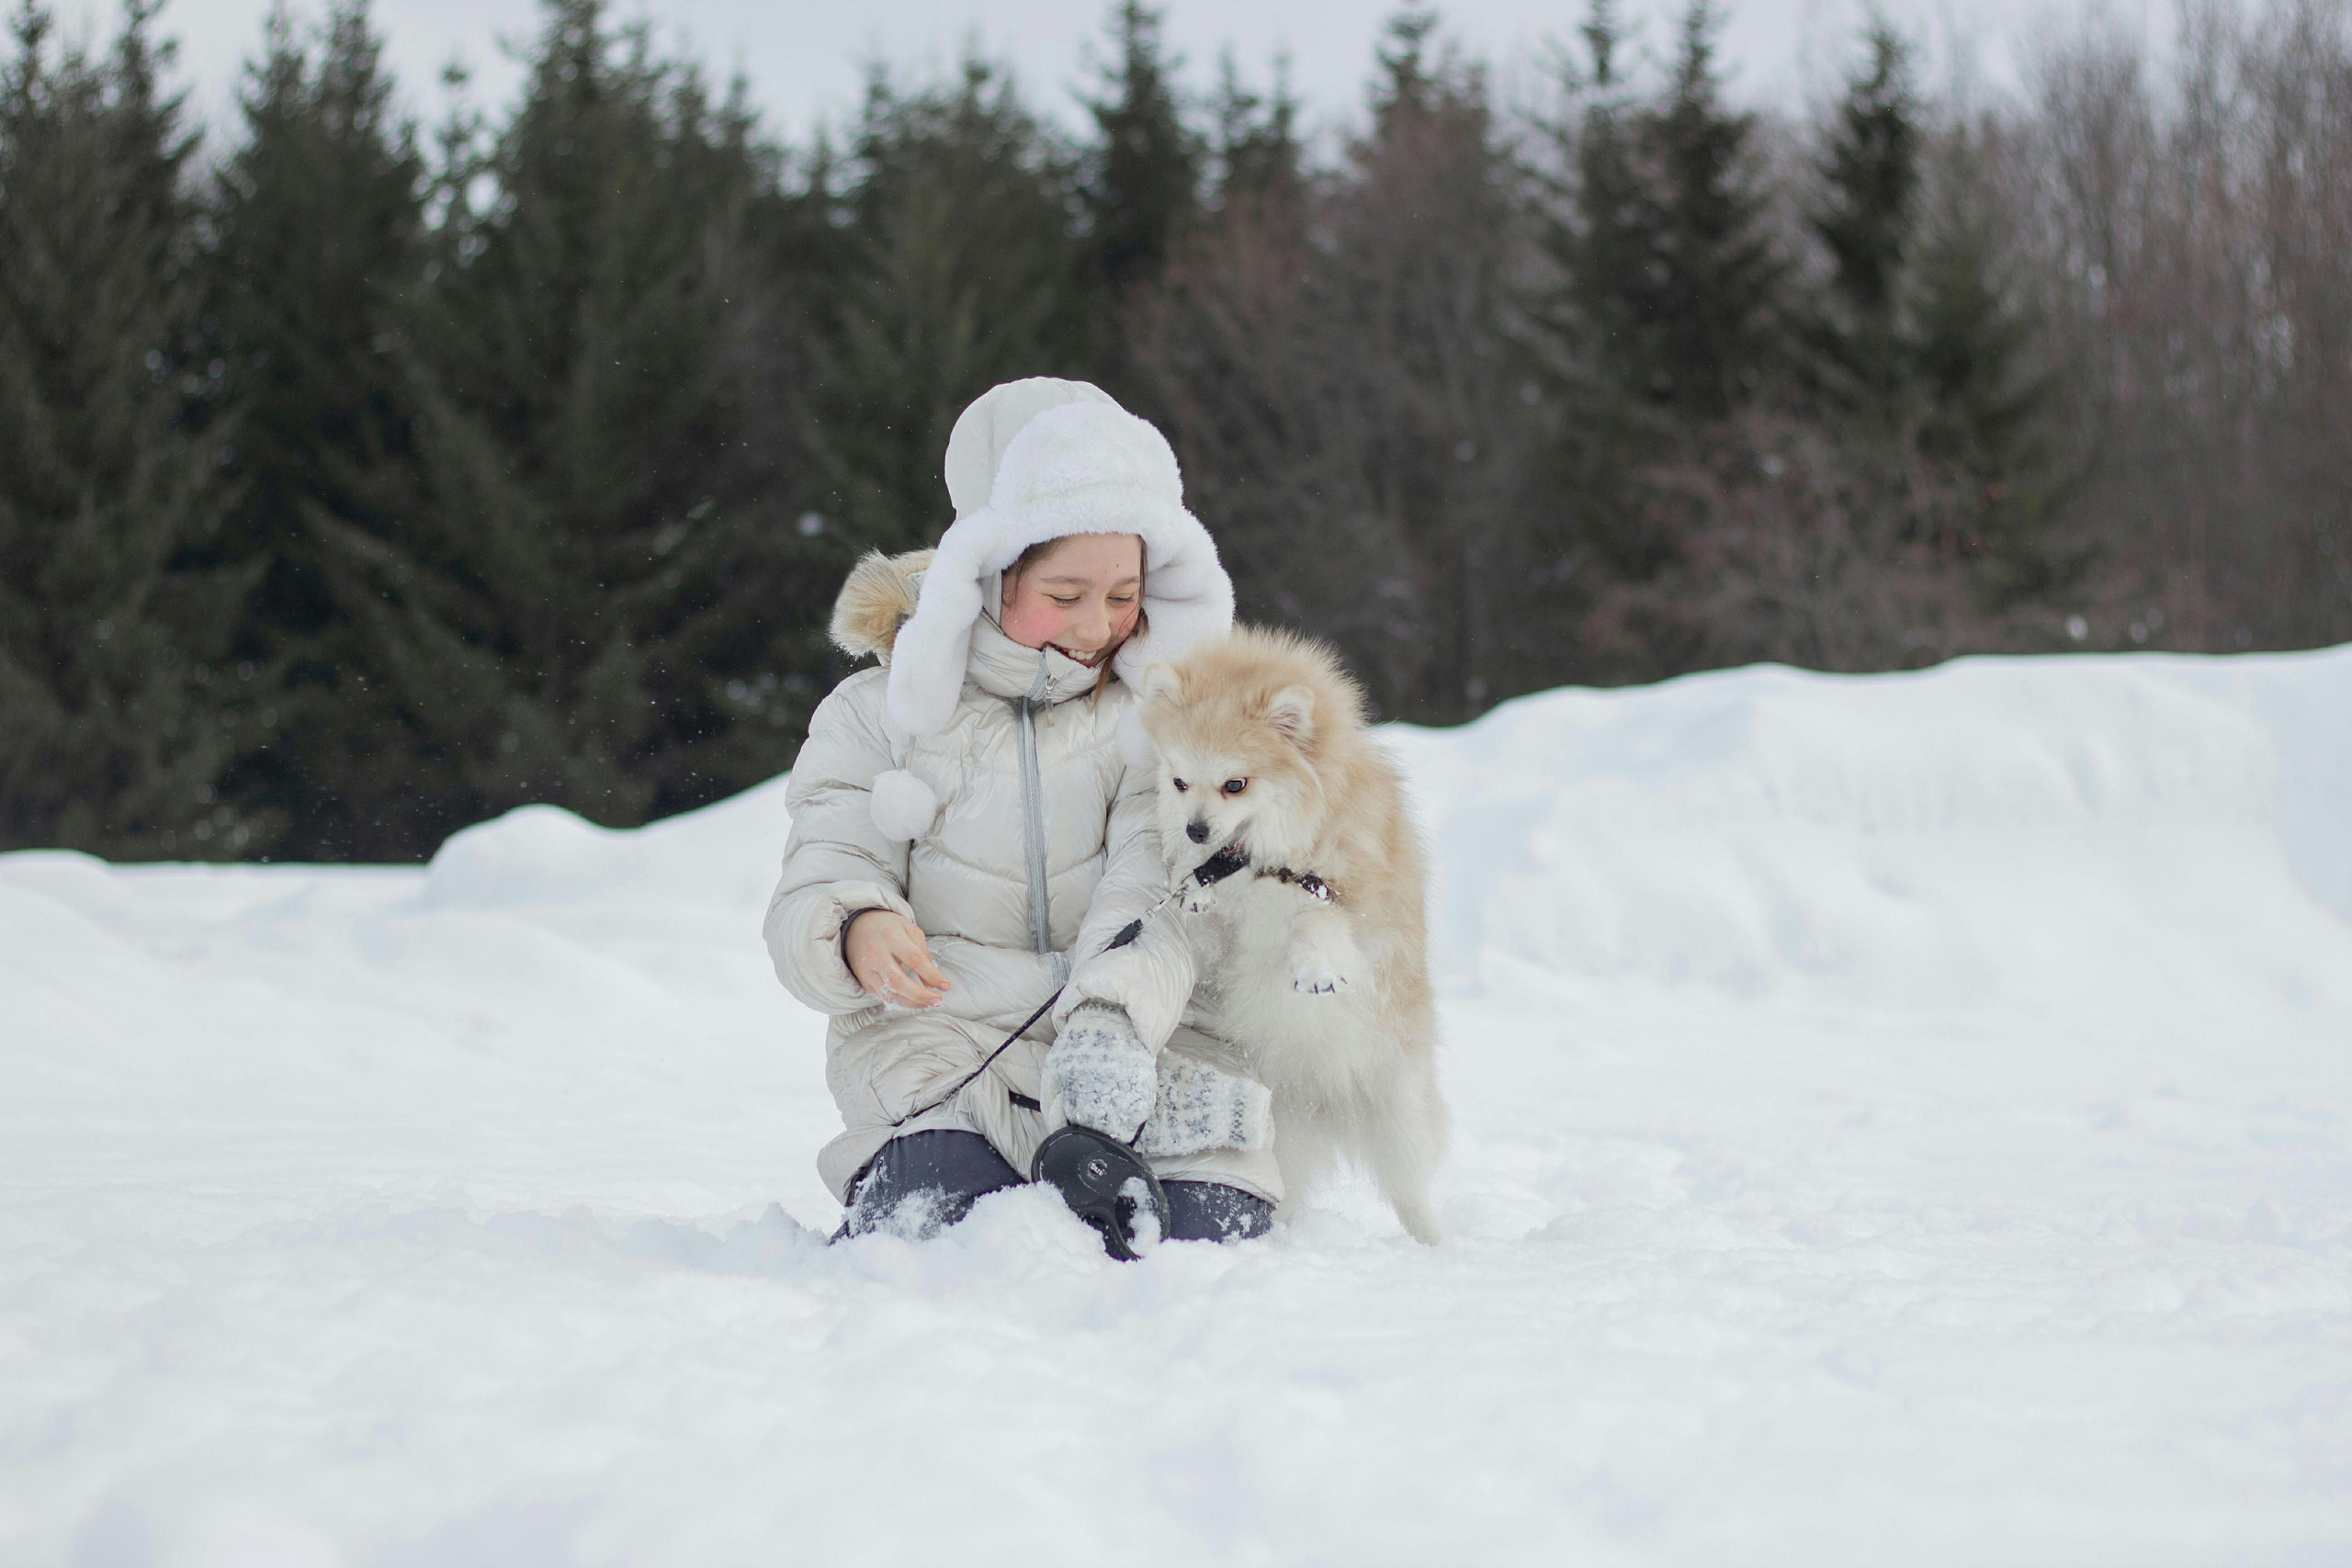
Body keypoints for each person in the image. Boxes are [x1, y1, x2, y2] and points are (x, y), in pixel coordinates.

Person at [764, 378, 1279, 1245]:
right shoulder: (877, 714)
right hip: (948, 1049)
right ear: (992, 572)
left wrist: (1113, 1019)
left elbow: (1154, 877)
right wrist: (850, 926)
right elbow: (826, 856)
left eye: (1124, 596)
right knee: (944, 1232)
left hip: (1144, 1040)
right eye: (1065, 594)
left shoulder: (1159, 716)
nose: (1098, 625)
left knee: (1202, 1246)